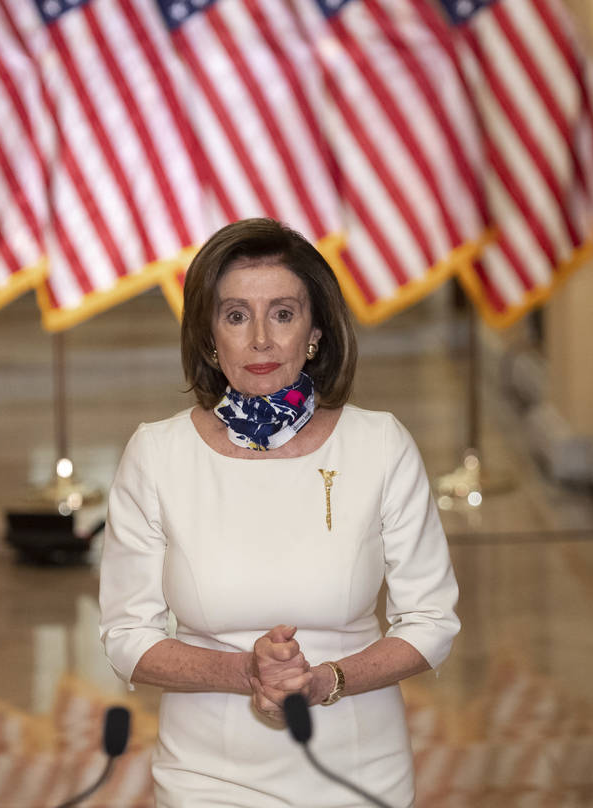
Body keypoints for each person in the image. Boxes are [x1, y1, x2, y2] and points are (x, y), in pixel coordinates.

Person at [98, 218, 460, 807]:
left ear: (314, 332)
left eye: (283, 314)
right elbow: (125, 638)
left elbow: (432, 621)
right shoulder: (157, 454)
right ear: (210, 337)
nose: (261, 339)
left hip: (358, 774)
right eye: (236, 315)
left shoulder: (380, 444)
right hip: (205, 780)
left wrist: (326, 682)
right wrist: (245, 672)